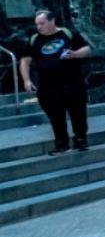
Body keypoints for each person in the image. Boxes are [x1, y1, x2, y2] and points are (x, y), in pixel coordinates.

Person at [19, 10, 92, 154]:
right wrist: (27, 80)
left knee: (78, 113)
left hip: (72, 82)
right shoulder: (34, 39)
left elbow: (87, 49)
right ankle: (61, 143)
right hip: (48, 86)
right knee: (55, 116)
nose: (39, 27)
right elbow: (25, 61)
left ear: (52, 21)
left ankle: (80, 139)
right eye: (37, 24)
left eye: (42, 23)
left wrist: (75, 54)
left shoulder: (68, 34)